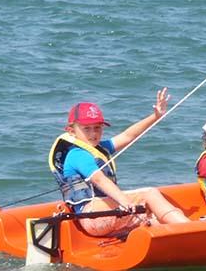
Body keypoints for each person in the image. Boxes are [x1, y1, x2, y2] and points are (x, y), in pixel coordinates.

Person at [49, 88, 190, 237]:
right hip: (92, 216)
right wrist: (126, 202)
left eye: (97, 128)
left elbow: (128, 135)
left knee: (153, 217)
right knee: (150, 193)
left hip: (102, 216)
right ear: (71, 131)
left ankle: (177, 239)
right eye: (87, 129)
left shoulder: (100, 148)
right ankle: (189, 229)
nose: (93, 133)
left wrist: (155, 116)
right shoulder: (77, 154)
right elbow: (99, 179)